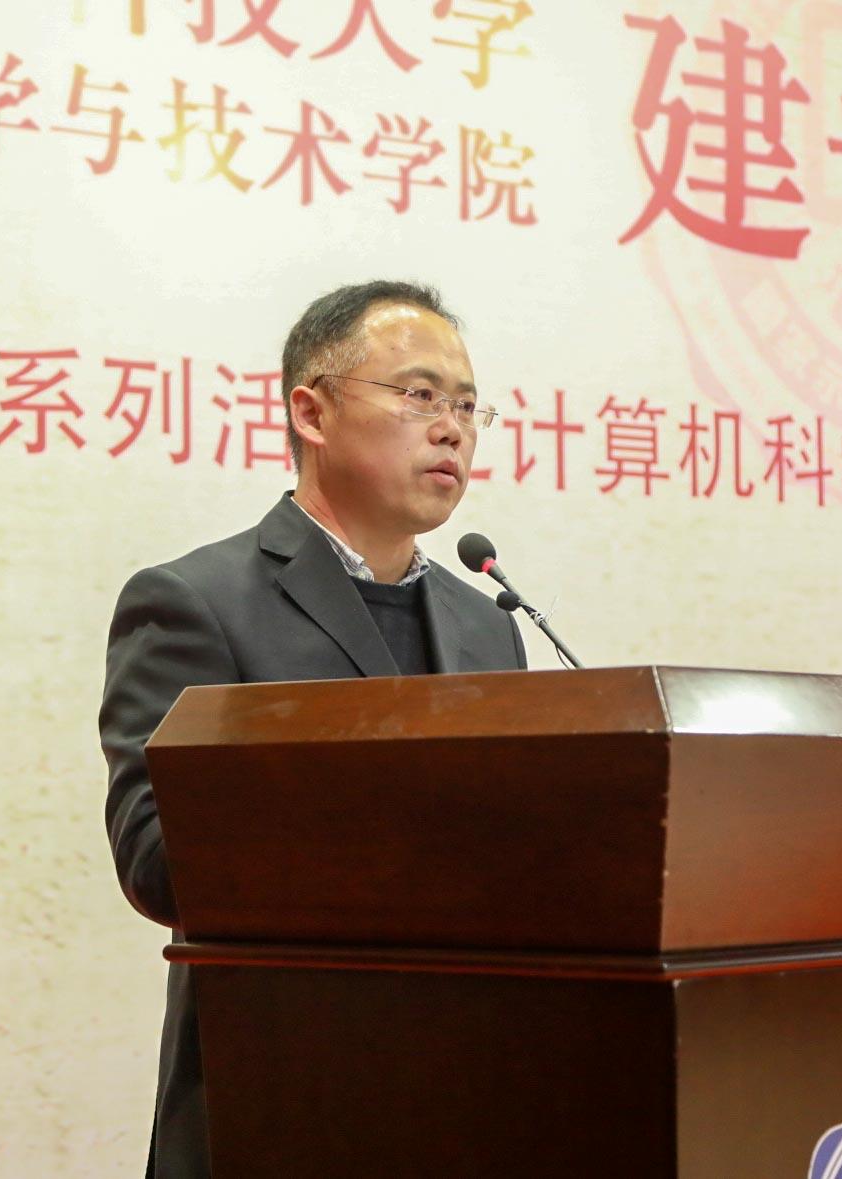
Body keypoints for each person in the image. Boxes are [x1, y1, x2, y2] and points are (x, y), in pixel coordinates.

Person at [99, 280, 528, 1178]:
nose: (451, 428)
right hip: (275, 1099)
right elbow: (156, 859)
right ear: (311, 412)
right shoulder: (197, 603)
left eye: (465, 405)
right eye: (418, 394)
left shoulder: (486, 625)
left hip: (468, 1095)